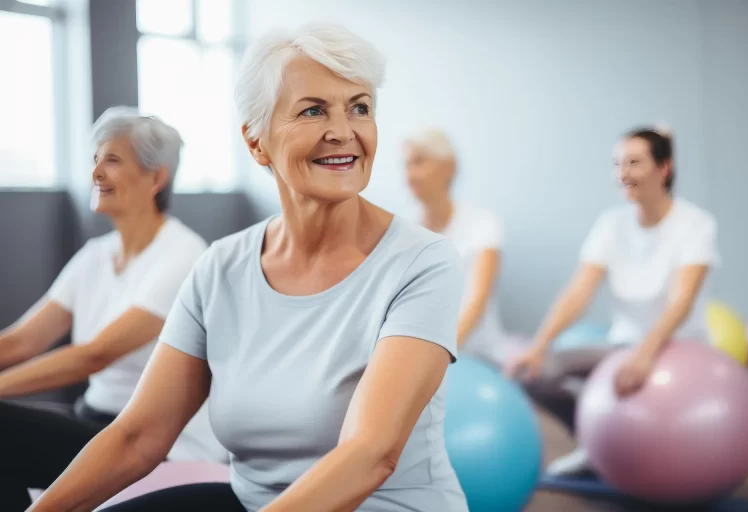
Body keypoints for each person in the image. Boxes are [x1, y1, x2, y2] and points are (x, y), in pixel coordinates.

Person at [30, 23, 469, 512]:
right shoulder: (220, 267)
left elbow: (370, 454)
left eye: (360, 107)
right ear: (256, 142)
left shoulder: (422, 263)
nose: (343, 131)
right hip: (252, 501)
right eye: (313, 110)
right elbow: (138, 436)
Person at [0, 107, 227, 511]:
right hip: (95, 419)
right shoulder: (95, 256)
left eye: (113, 160)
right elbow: (23, 339)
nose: (96, 173)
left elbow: (95, 354)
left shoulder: (184, 255)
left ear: (155, 177)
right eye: (94, 160)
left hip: (156, 441)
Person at [507, 126, 719, 476]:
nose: (622, 173)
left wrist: (645, 355)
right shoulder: (611, 225)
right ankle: (594, 443)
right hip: (623, 346)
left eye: (634, 162)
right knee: (534, 374)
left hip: (681, 350)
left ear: (664, 168)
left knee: (643, 387)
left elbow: (681, 302)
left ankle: (665, 460)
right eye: (617, 163)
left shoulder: (696, 225)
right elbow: (579, 292)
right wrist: (539, 345)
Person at [404, 129, 517, 367]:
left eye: (419, 162)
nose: (409, 175)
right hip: (418, 356)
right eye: (406, 165)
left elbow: (478, 300)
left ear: (448, 167)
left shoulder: (483, 224)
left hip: (477, 357)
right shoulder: (403, 232)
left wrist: (439, 355)